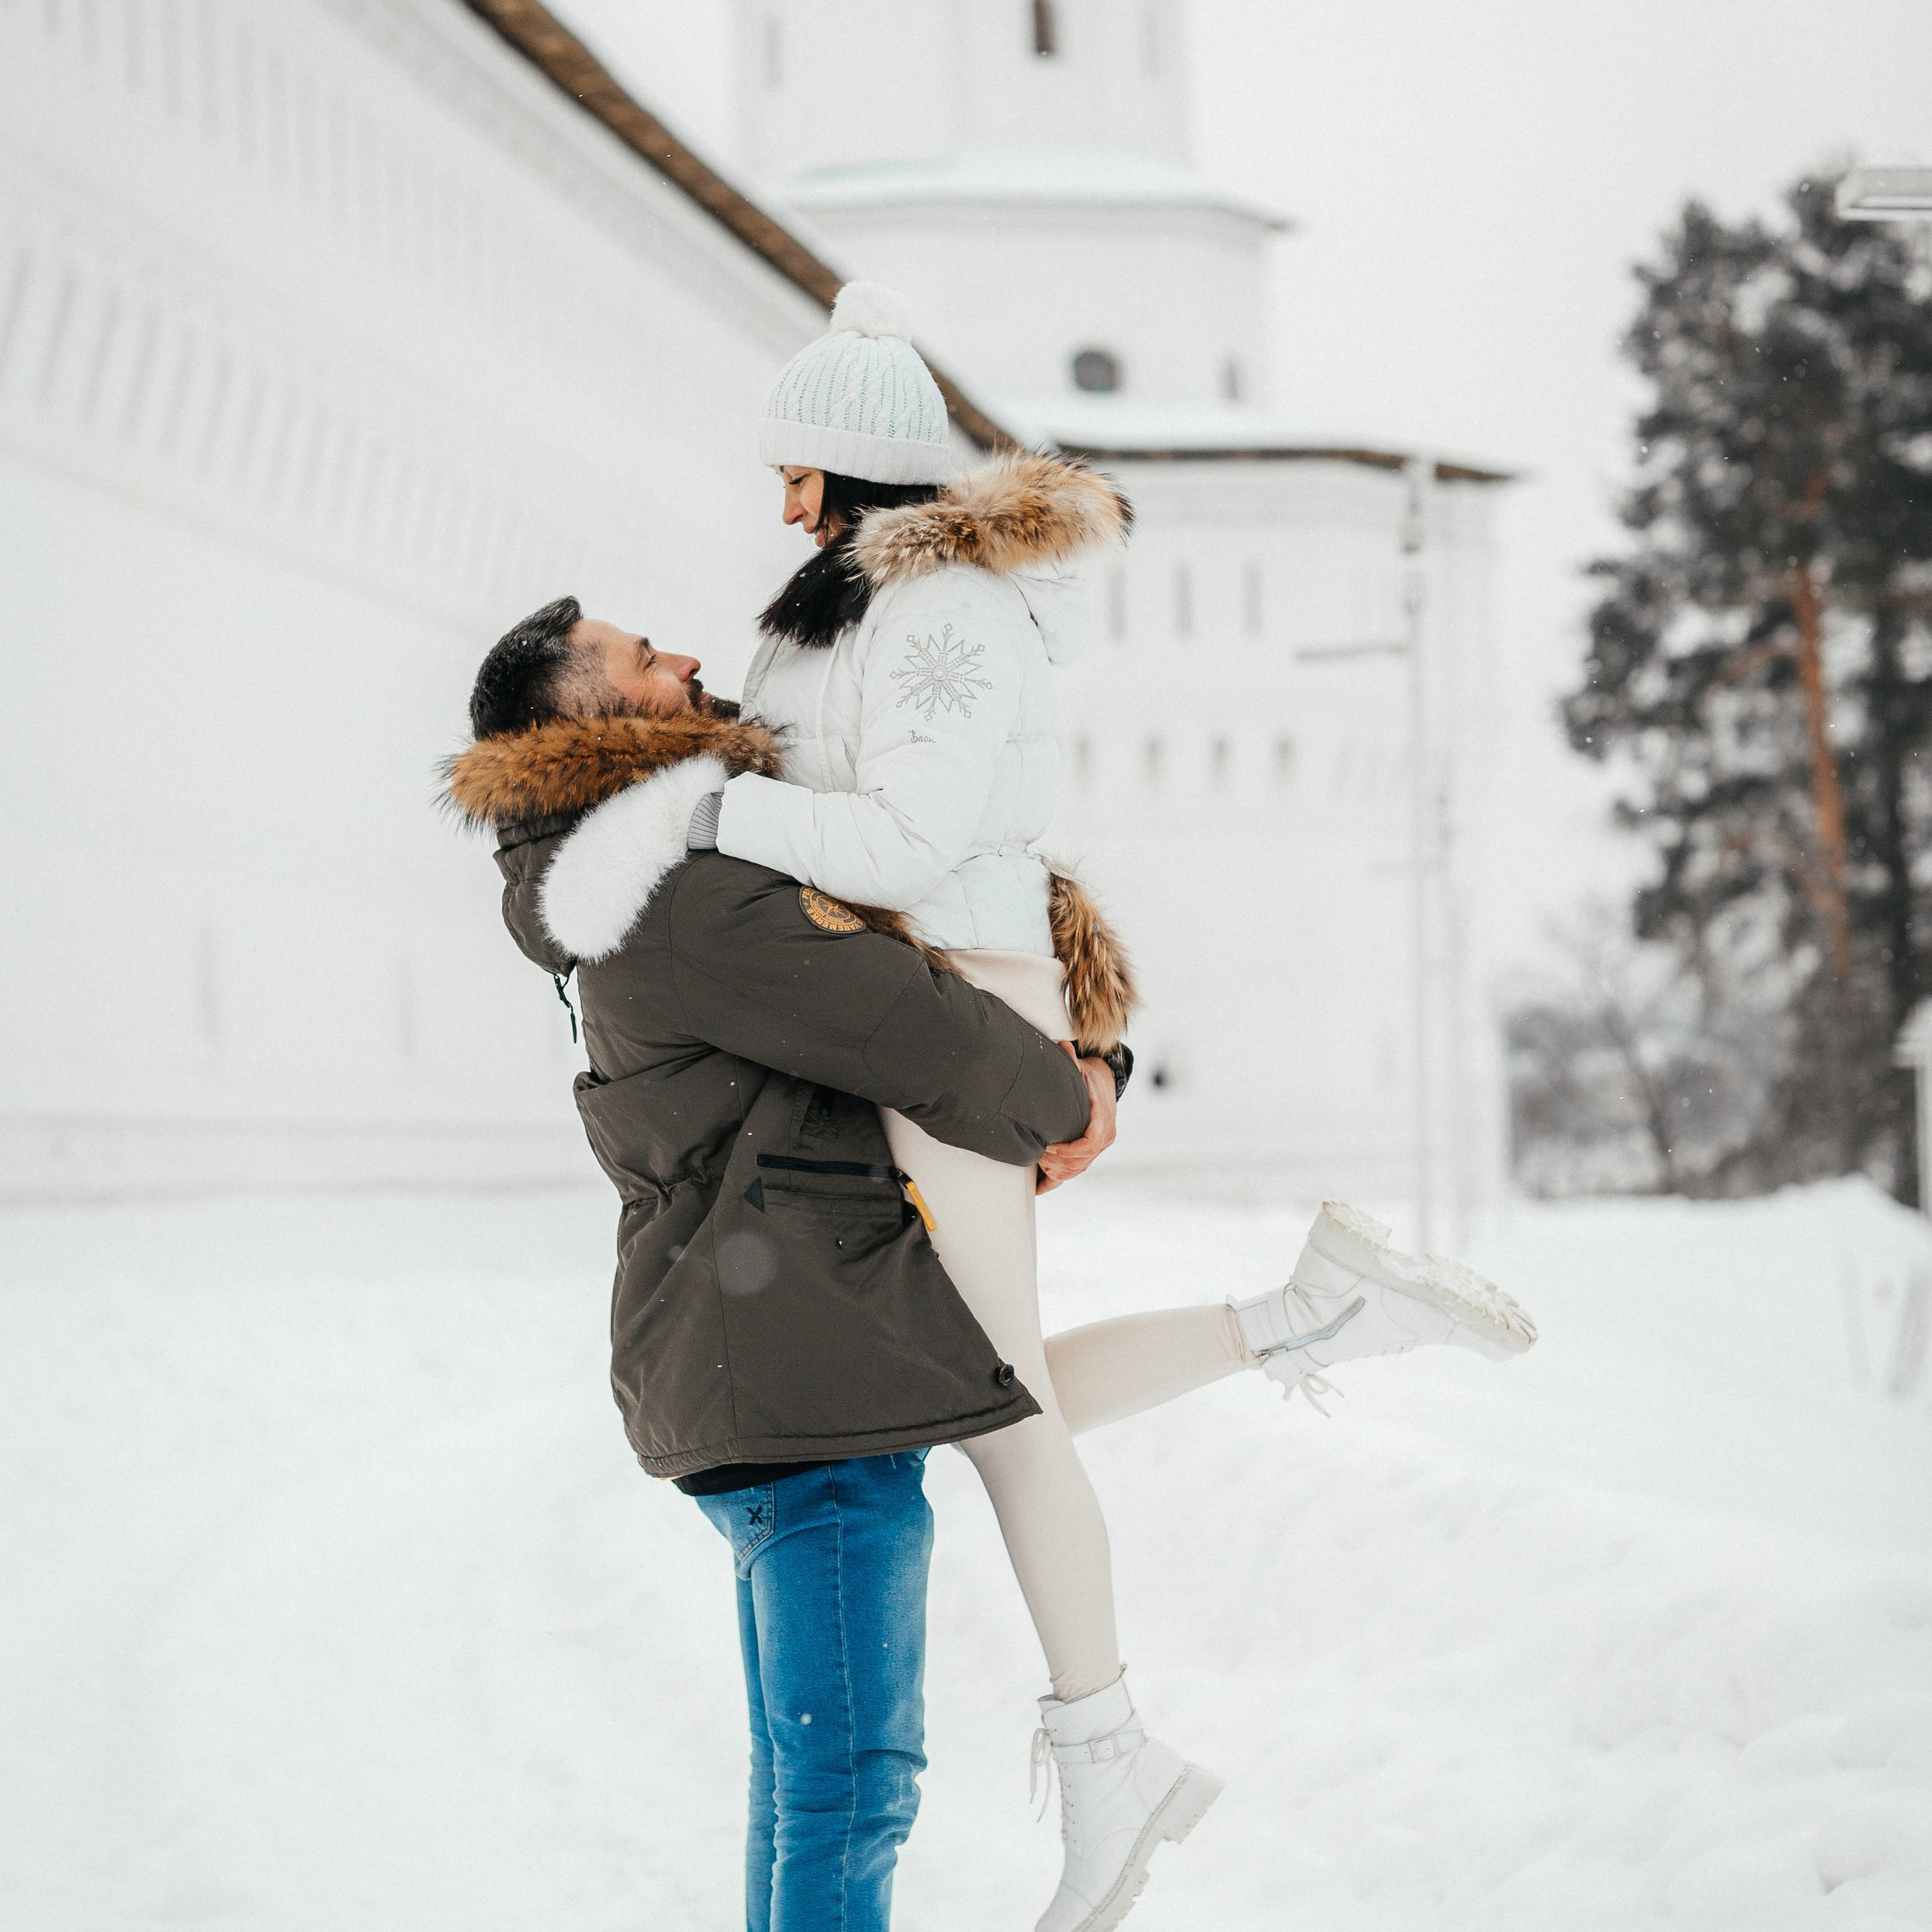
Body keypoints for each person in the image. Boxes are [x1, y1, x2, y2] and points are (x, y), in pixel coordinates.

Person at [607, 280, 1537, 1932]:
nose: (778, 506)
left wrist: (711, 812)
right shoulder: (835, 615)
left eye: (795, 476)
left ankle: (1108, 1748)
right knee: (987, 1382)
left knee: (993, 1407)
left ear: (846, 472)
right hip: (920, 1005)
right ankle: (1298, 1318)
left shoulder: (945, 612)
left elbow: (895, 846)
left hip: (964, 1008)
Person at [445, 604, 1112, 1932]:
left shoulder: (616, 884)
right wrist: (1074, 1095)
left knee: (813, 1789)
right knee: (849, 1793)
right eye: (645, 661)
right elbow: (912, 1027)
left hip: (761, 1382)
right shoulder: (681, 900)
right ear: (594, 721)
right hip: (805, 1396)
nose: (685, 658)